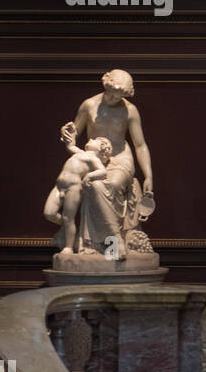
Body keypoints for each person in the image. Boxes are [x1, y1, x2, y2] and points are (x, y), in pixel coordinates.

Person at [57, 69, 154, 256]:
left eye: (118, 98)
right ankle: (112, 245)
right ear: (105, 85)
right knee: (94, 185)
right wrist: (66, 131)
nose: (112, 100)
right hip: (95, 159)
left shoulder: (130, 110)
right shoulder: (89, 105)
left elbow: (140, 145)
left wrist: (148, 175)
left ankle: (113, 247)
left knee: (112, 184)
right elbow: (74, 131)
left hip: (120, 159)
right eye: (111, 95)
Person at [43, 137, 114, 254]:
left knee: (68, 218)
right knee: (49, 213)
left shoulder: (93, 158)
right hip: (59, 185)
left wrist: (89, 176)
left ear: (101, 148)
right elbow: (71, 147)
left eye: (95, 140)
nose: (91, 138)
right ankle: (67, 229)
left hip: (73, 188)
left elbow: (103, 171)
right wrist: (70, 136)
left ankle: (69, 247)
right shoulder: (81, 153)